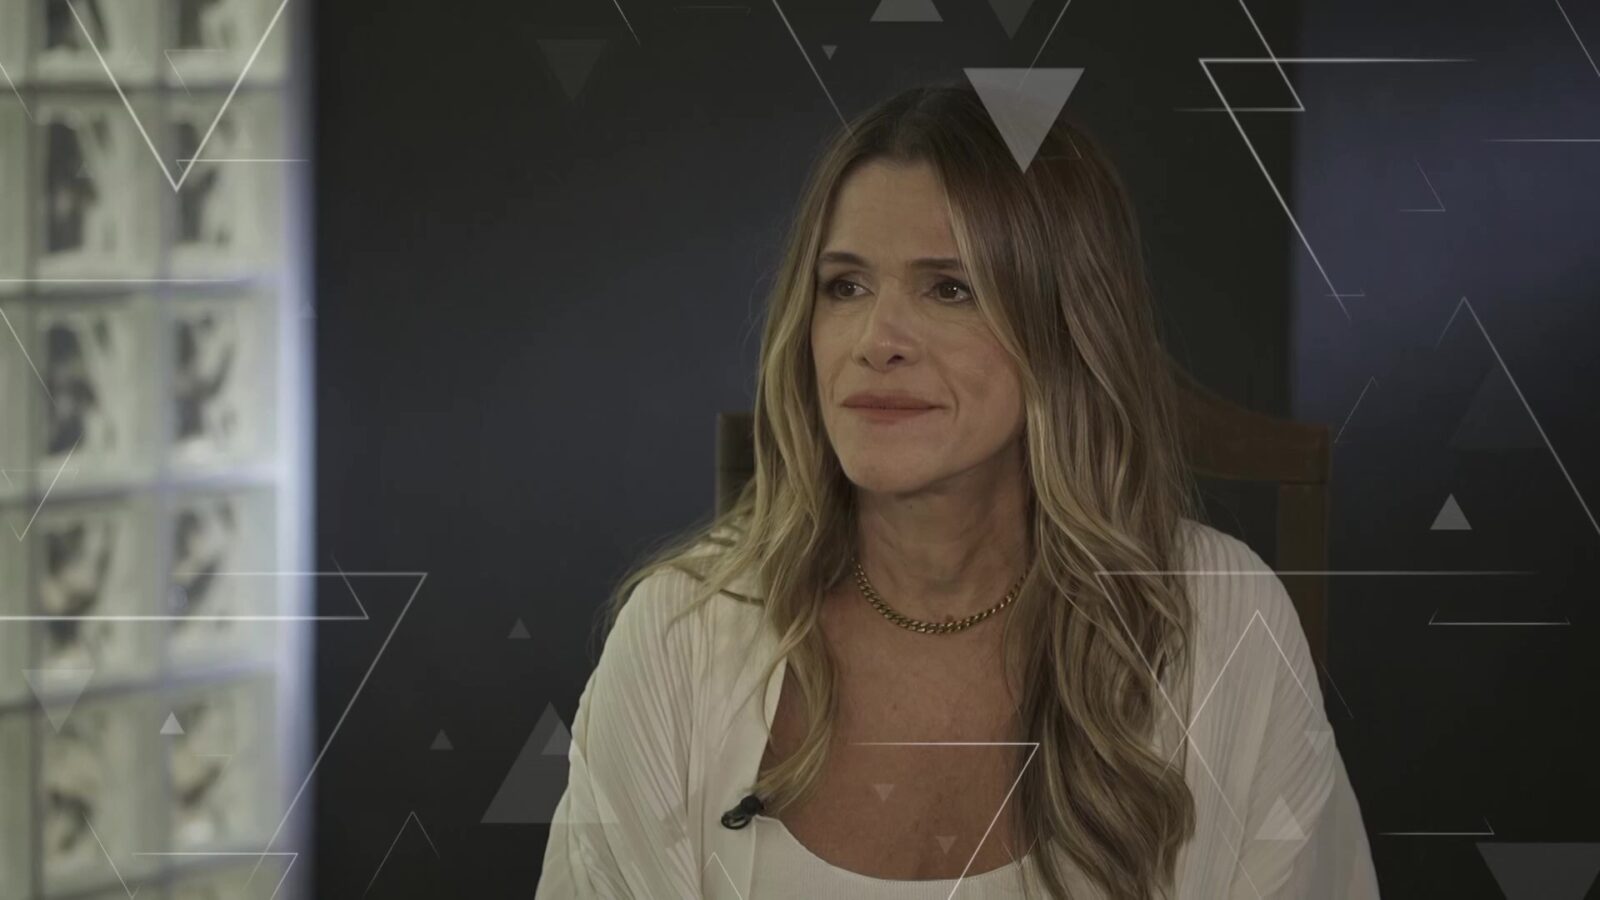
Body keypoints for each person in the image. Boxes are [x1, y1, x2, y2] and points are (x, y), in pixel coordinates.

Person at [535, 78, 1380, 899]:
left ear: (1065, 329)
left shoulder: (1223, 621)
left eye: (949, 288)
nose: (877, 340)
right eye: (845, 286)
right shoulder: (678, 636)